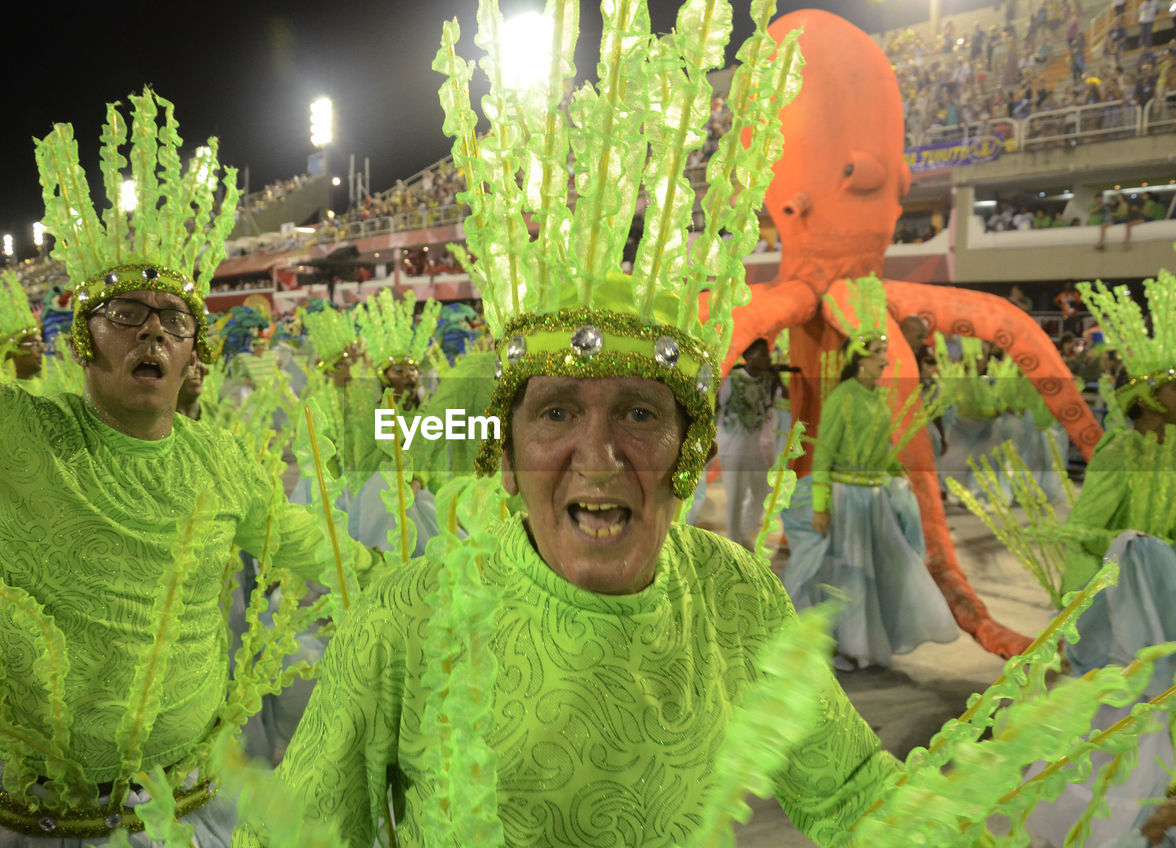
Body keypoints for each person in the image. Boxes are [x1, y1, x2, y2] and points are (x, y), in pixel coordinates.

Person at [233, 7, 902, 845]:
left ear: (688, 452)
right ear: (505, 456)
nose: (599, 455)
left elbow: (855, 794)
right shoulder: (406, 620)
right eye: (555, 413)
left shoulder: (733, 598)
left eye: (639, 413)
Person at [0, 89, 347, 847]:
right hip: (27, 823)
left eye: (173, 321)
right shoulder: (7, 429)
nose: (153, 334)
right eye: (126, 315)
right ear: (83, 341)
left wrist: (425, 584)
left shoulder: (218, 458)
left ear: (193, 353)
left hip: (177, 818)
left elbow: (311, 543)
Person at [1023, 277, 1176, 848]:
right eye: (1174, 385)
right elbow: (1085, 531)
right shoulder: (1119, 450)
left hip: (1171, 604)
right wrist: (1078, 606)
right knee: (1122, 712)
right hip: (1128, 610)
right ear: (1147, 394)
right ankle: (1105, 818)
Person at [780, 277, 958, 670]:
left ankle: (867, 642)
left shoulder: (879, 398)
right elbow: (823, 454)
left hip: (875, 499)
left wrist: (898, 476)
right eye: (879, 354)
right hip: (846, 498)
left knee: (881, 572)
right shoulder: (842, 398)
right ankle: (849, 645)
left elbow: (884, 447)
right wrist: (821, 507)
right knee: (851, 575)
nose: (884, 360)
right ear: (859, 360)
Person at [716, 338, 783, 547]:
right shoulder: (732, 378)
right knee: (735, 498)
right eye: (763, 354)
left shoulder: (765, 381)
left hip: (753, 448)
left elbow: (767, 406)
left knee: (763, 489)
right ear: (748, 357)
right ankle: (735, 541)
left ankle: (742, 533)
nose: (768, 358)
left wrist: (775, 378)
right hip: (731, 448)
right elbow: (717, 406)